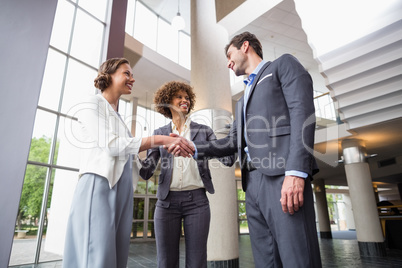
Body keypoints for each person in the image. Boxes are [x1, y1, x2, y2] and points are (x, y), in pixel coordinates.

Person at [168, 32, 322, 267]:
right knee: (265, 259)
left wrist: (296, 172)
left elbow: (303, 116)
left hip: (283, 176)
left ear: (245, 46)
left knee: (298, 257)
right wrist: (191, 147)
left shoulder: (282, 66)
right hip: (252, 185)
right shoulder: (240, 102)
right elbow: (229, 143)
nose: (228, 63)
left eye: (230, 55)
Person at [62, 58, 193, 268]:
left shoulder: (118, 117)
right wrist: (161, 140)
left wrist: (164, 152)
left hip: (122, 188)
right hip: (100, 184)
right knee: (96, 253)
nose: (132, 78)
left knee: (116, 254)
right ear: (109, 75)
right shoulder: (91, 104)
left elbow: (134, 162)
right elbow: (114, 146)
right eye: (127, 73)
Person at [139, 81, 234, 268]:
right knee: (166, 262)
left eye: (187, 97)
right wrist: (133, 151)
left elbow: (226, 158)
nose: (185, 100)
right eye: (179, 97)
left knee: (197, 262)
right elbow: (147, 170)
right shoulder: (160, 133)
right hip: (166, 203)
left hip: (197, 202)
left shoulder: (204, 131)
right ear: (168, 101)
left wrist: (232, 140)